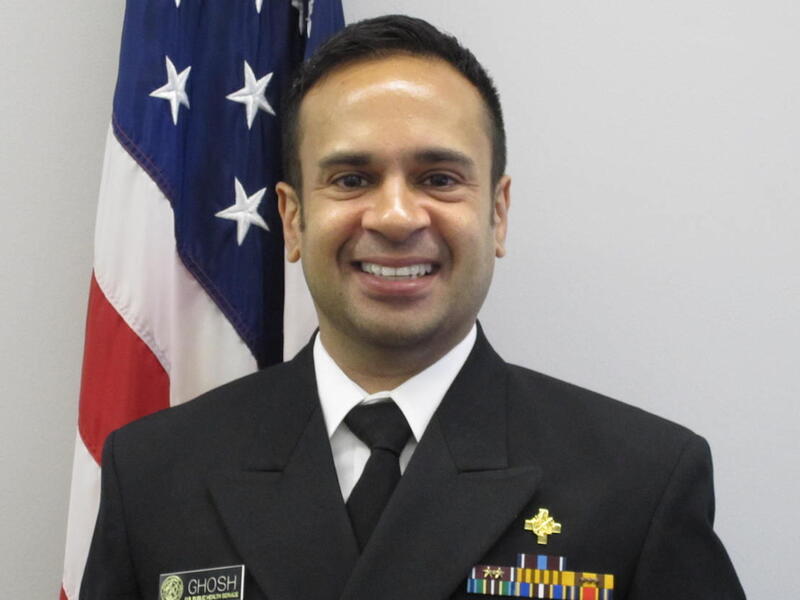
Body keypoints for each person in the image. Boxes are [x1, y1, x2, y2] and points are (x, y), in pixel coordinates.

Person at [81, 15, 745, 600]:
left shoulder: (641, 484)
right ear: (291, 219)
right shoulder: (153, 477)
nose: (396, 216)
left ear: (498, 213)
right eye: (352, 178)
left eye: (438, 179)